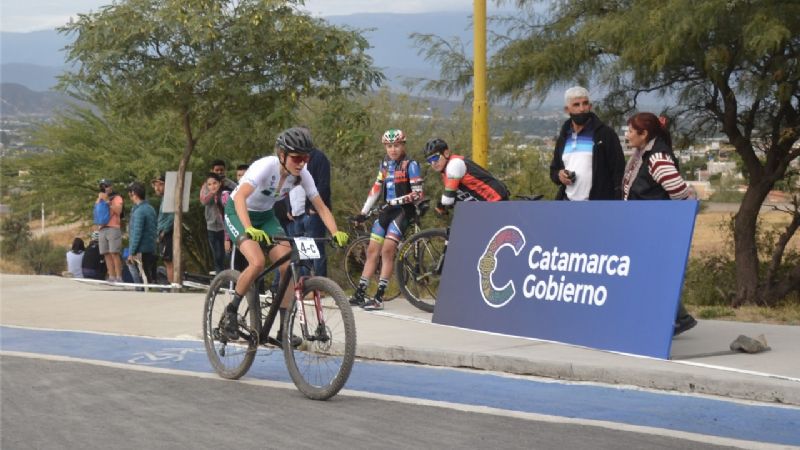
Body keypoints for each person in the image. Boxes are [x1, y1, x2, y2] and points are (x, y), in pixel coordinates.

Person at [221, 127, 349, 346]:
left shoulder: (302, 175)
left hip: (266, 217)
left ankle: (283, 329)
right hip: (239, 211)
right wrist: (249, 227)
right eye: (297, 158)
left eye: (306, 158)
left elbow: (321, 207)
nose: (302, 163)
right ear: (282, 155)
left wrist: (335, 232)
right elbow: (241, 197)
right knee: (258, 262)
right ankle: (231, 311)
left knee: (288, 264)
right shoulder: (265, 166)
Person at [621, 112, 697, 336]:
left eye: (631, 131)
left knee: (649, 274)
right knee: (649, 273)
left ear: (644, 134)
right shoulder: (643, 154)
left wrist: (666, 216)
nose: (627, 135)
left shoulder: (657, 158)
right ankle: (677, 318)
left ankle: (679, 318)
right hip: (644, 223)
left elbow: (680, 192)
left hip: (652, 225)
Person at [349, 129, 424, 311]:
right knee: (372, 251)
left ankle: (379, 297)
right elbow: (376, 187)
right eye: (389, 146)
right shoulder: (385, 164)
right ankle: (360, 292)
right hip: (387, 210)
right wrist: (364, 212)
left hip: (403, 211)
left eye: (396, 145)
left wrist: (393, 202)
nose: (393, 150)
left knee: (388, 251)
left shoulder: (410, 165)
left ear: (403, 145)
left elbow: (418, 193)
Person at [549, 86, 625, 201]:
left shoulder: (605, 134)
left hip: (598, 206)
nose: (582, 109)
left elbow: (619, 170)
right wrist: (559, 175)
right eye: (576, 105)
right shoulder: (564, 137)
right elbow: (554, 170)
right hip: (568, 204)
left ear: (590, 106)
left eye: (585, 103)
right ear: (567, 109)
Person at [423, 138, 509, 215]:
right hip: (486, 206)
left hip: (496, 200)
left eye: (435, 158)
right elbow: (458, 195)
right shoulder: (445, 171)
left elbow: (447, 199)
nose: (433, 163)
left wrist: (441, 205)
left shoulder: (454, 164)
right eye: (429, 160)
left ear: (446, 153)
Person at [290, 134, 333, 277]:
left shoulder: (318, 157)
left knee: (316, 249)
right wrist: (288, 209)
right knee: (303, 253)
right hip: (296, 213)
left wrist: (314, 208)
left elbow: (324, 184)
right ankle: (306, 284)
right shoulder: (291, 159)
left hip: (312, 212)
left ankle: (321, 284)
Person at [126, 181, 158, 284]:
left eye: (130, 193)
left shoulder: (139, 212)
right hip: (151, 249)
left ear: (134, 194)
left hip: (141, 251)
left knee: (144, 280)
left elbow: (137, 234)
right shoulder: (150, 208)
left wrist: (132, 252)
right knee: (151, 278)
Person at [96, 178, 124, 282]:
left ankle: (119, 277)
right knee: (106, 253)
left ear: (111, 187)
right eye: (103, 186)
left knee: (114, 253)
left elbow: (119, 211)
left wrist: (108, 201)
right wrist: (100, 199)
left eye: (107, 186)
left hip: (113, 227)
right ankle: (111, 276)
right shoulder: (99, 197)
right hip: (102, 228)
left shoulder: (117, 197)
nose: (105, 188)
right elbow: (97, 212)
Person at [200, 172, 228, 274]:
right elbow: (203, 201)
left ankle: (229, 279)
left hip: (225, 228)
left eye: (215, 183)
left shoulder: (225, 192)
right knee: (217, 255)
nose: (212, 186)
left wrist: (225, 181)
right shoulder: (206, 188)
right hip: (211, 227)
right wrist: (212, 191)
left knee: (226, 254)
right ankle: (220, 278)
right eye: (209, 184)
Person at [152, 175, 175, 284]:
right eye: (156, 184)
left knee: (169, 261)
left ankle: (173, 286)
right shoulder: (164, 198)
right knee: (167, 261)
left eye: (160, 184)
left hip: (167, 234)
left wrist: (164, 231)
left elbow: (172, 216)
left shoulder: (169, 198)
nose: (157, 187)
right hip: (162, 233)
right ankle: (172, 284)